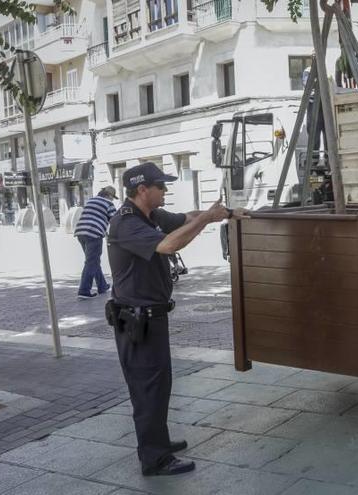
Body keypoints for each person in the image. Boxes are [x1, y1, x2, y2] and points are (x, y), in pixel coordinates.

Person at [106, 162, 245, 476]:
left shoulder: (150, 214)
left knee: (159, 384)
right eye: (161, 186)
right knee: (147, 389)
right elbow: (170, 243)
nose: (165, 190)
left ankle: (159, 441)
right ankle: (154, 459)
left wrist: (221, 213)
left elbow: (187, 219)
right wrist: (208, 218)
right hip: (136, 323)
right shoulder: (126, 222)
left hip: (151, 319)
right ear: (142, 190)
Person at [74, 186, 118, 299]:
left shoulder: (91, 200)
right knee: (91, 262)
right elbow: (116, 221)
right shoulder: (109, 204)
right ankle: (84, 290)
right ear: (109, 195)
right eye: (112, 197)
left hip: (80, 232)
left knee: (93, 261)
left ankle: (102, 286)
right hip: (94, 233)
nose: (112, 200)